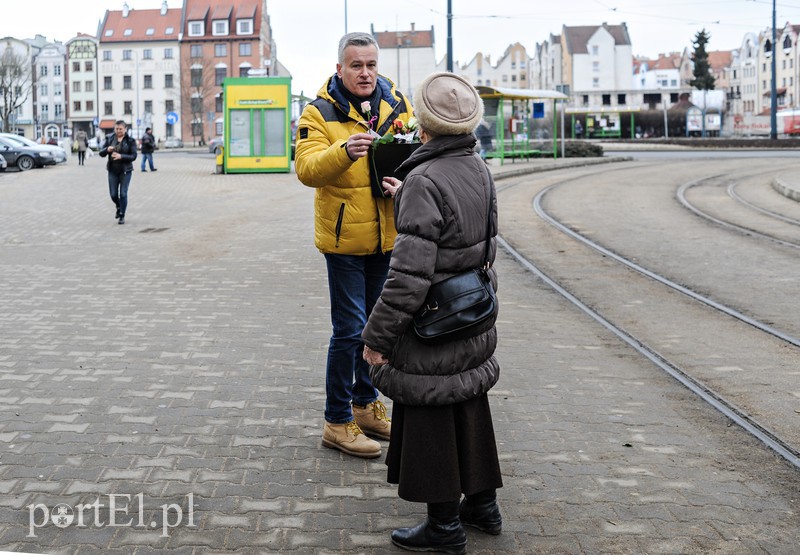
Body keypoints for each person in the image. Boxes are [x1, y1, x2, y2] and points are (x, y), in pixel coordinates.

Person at [362, 72, 503, 554]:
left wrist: (376, 339)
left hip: (433, 322)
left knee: (429, 410)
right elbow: (472, 237)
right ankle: (483, 506)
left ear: (422, 124)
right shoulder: (478, 166)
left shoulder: (424, 179)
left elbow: (407, 278)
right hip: (473, 312)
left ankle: (444, 528)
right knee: (468, 400)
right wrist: (410, 195)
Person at [294, 32, 414, 459]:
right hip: (344, 242)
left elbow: (417, 150)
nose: (365, 73)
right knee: (349, 332)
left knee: (376, 331)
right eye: (356, 66)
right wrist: (344, 151)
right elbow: (306, 169)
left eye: (371, 65)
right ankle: (336, 421)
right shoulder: (320, 111)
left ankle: (365, 407)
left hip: (386, 237)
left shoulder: (396, 104)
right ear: (340, 68)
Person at [99, 120, 137, 225]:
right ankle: (118, 205)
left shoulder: (130, 141)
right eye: (116, 129)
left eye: (120, 129)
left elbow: (134, 156)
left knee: (123, 193)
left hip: (125, 171)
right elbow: (101, 153)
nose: (118, 131)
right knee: (113, 194)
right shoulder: (110, 138)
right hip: (112, 171)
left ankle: (122, 215)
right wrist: (107, 149)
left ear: (125, 129)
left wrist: (121, 156)